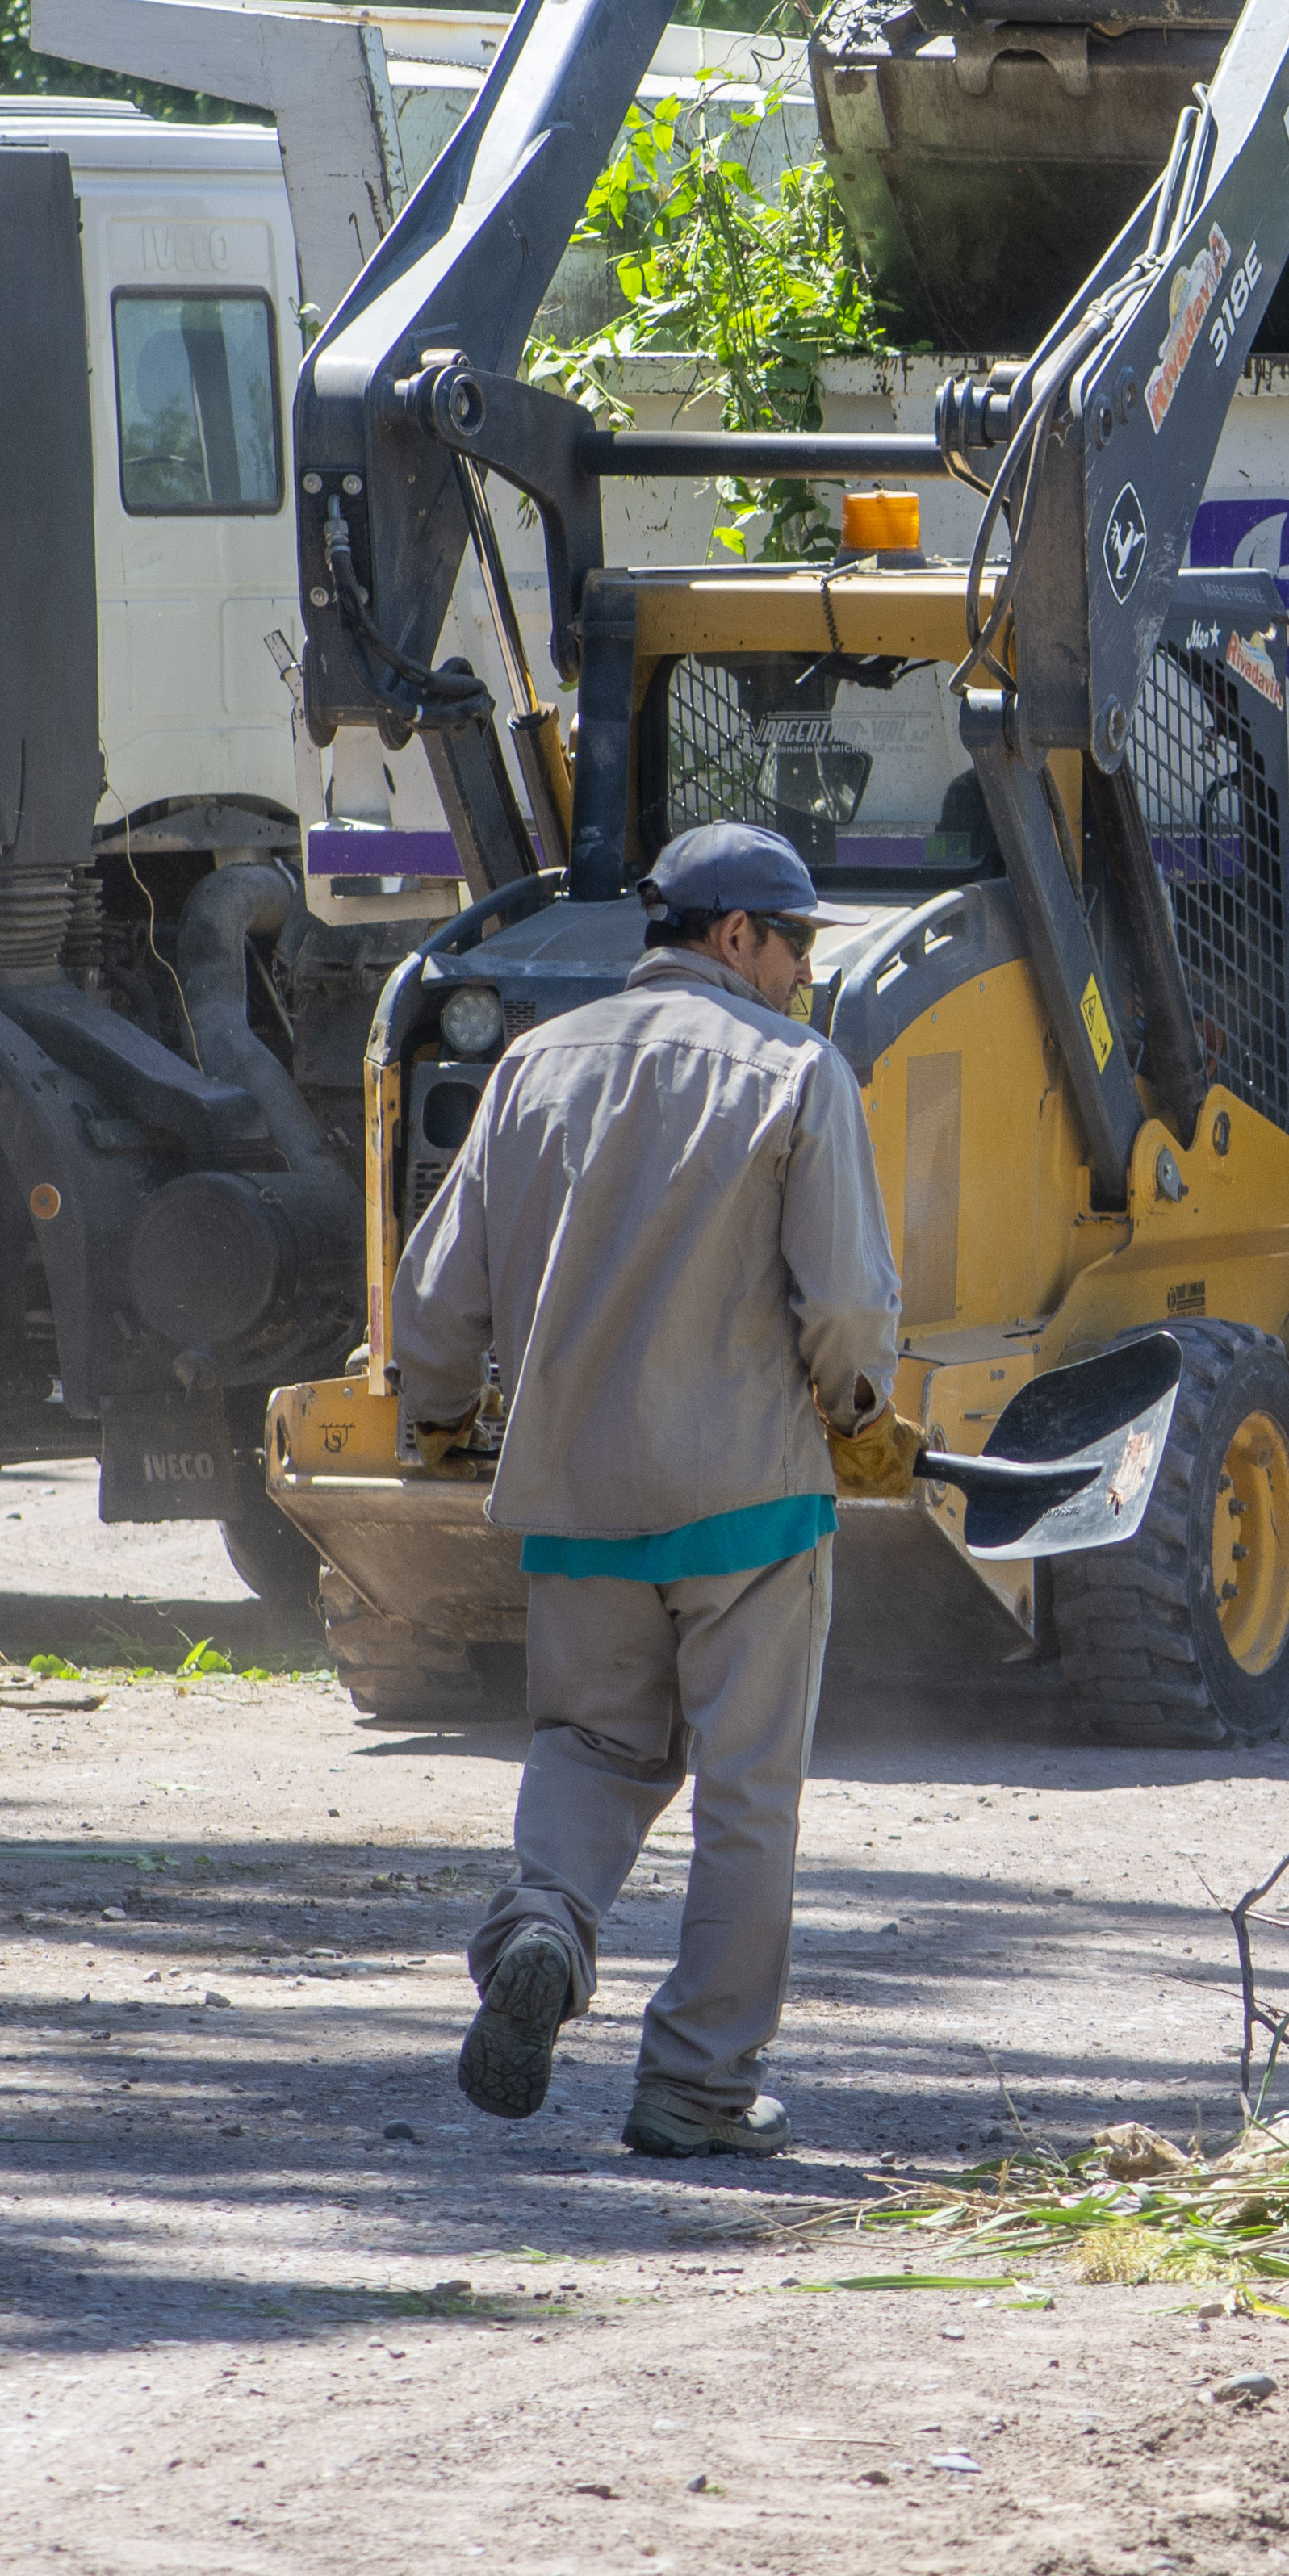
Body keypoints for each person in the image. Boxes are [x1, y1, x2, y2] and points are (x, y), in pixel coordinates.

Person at [395, 821, 904, 2158]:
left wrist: (441, 1421)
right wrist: (855, 1406)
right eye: (795, 943)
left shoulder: (530, 1066)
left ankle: (545, 1923)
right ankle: (694, 2085)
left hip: (572, 1494)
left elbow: (434, 1300)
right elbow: (846, 1305)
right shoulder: (799, 1072)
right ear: (736, 936)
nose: (803, 974)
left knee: (591, 1748)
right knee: (748, 1795)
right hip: (747, 1500)